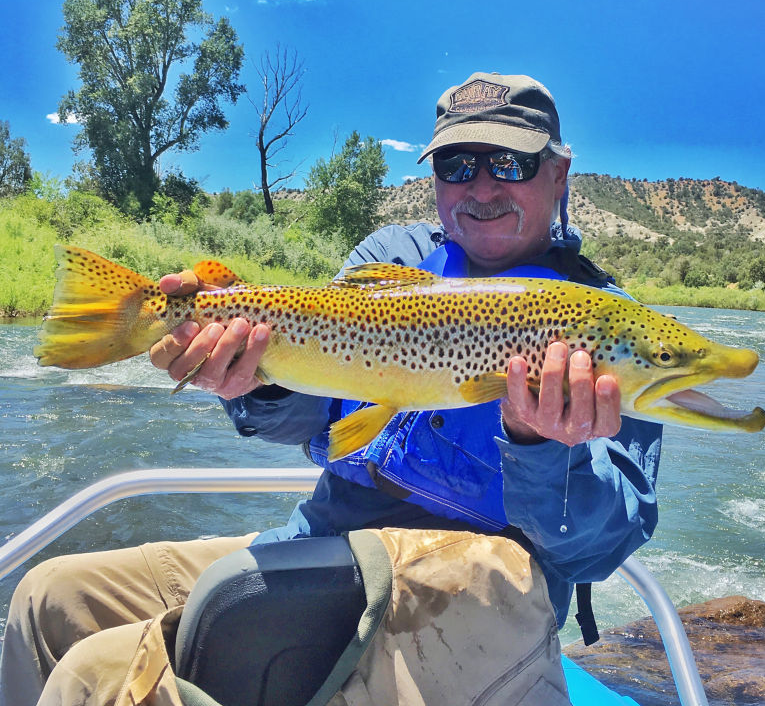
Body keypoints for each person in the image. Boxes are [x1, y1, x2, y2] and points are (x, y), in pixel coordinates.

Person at [0, 72, 661, 705]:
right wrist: (251, 382)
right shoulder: (390, 259)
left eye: (510, 163)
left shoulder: (608, 329)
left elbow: (597, 549)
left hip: (472, 599)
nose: (481, 186)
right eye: (456, 164)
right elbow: (314, 418)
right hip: (327, 541)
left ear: (559, 174)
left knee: (95, 677)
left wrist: (542, 448)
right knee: (50, 598)